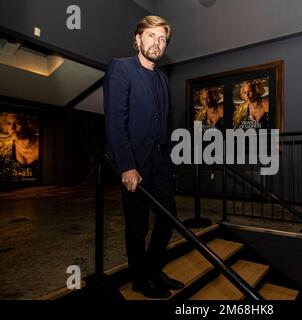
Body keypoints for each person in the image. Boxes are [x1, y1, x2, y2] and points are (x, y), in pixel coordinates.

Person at [103, 15, 184, 299]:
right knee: (137, 225)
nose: (157, 43)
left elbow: (164, 122)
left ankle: (153, 268)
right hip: (134, 162)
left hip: (160, 161)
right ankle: (140, 279)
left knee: (169, 217)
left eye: (162, 39)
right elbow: (115, 121)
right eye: (151, 36)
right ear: (138, 39)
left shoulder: (162, 77)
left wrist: (169, 161)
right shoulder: (120, 68)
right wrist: (126, 166)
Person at [0, 113, 39, 182]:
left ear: (28, 124)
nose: (12, 128)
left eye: (17, 123)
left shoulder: (43, 143)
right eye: (9, 123)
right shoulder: (3, 146)